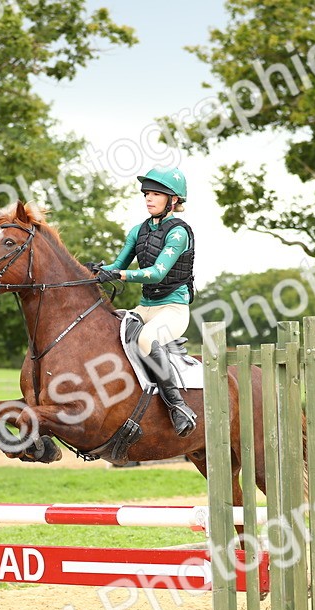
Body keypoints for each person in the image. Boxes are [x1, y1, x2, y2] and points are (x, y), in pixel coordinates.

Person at [97, 166, 197, 436]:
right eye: (147, 194)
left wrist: (119, 273)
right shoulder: (137, 231)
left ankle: (178, 407)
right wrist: (94, 270)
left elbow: (156, 274)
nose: (149, 199)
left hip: (172, 310)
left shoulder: (179, 233)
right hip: (145, 308)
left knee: (145, 340)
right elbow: (118, 264)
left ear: (173, 200)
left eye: (156, 194)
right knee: (107, 331)